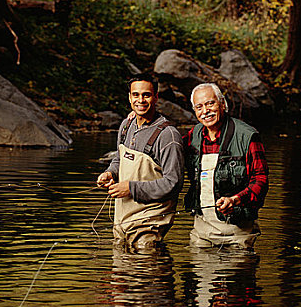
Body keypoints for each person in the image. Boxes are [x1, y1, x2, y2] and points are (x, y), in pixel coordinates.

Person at [97, 73, 184, 251]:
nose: (140, 100)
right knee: (120, 275)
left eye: (146, 95)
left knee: (144, 271)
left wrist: (131, 188)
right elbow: (119, 159)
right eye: (135, 95)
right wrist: (110, 173)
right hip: (122, 219)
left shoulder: (168, 135)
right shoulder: (126, 126)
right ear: (129, 97)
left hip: (150, 223)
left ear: (156, 97)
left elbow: (174, 183)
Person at [183, 83, 269, 249]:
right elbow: (167, 151)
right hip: (201, 232)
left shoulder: (247, 136)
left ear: (222, 104)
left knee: (237, 274)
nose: (205, 111)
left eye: (210, 104)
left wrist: (236, 199)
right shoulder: (193, 136)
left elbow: (261, 180)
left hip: (239, 231)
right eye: (199, 107)